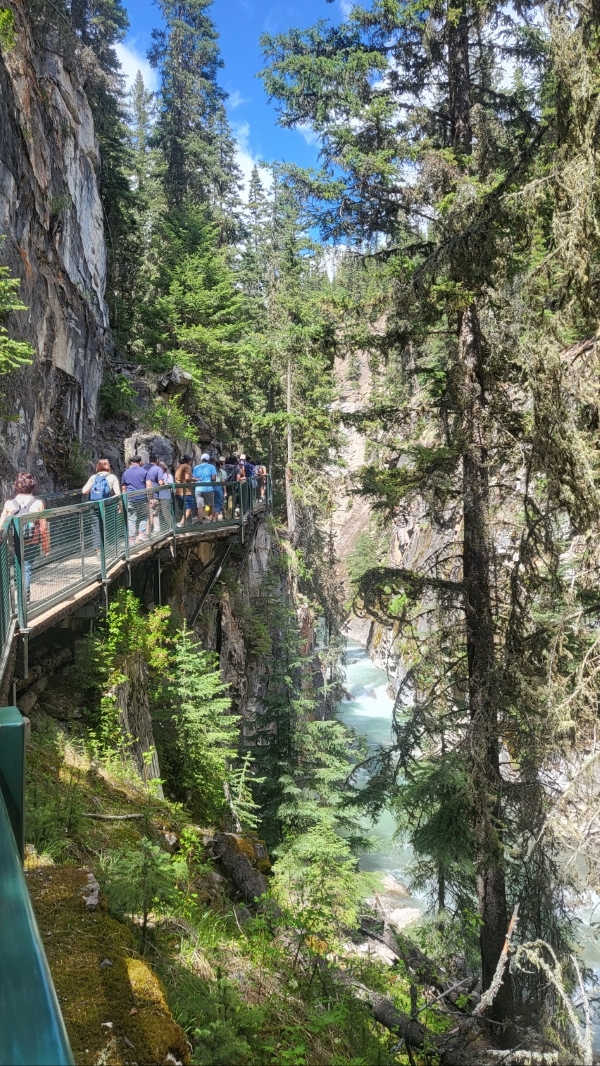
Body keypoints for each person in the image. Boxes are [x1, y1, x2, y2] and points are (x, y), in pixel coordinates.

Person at [0, 472, 49, 600]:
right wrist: (46, 546)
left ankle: (11, 600)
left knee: (13, 568)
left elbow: (1, 526)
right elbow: (43, 527)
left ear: (16, 486)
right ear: (32, 486)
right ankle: (24, 598)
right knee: (26, 568)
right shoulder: (38, 503)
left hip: (12, 542)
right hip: (31, 542)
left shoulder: (9, 504)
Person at [81, 459, 120, 553]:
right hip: (108, 506)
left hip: (95, 506)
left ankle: (98, 551)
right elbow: (118, 494)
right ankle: (112, 548)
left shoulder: (93, 477)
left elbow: (84, 491)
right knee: (110, 526)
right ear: (108, 467)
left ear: (97, 466)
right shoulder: (112, 477)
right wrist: (119, 504)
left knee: (96, 527)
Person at [121, 456, 148, 540]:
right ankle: (141, 534)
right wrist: (151, 497)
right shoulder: (144, 471)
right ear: (140, 462)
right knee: (143, 515)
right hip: (142, 498)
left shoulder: (126, 473)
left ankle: (131, 538)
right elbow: (149, 485)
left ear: (131, 463)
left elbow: (123, 487)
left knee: (131, 518)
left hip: (130, 498)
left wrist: (123, 499)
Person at [192, 452, 217, 523]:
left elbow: (194, 478)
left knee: (200, 506)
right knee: (211, 505)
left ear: (201, 459)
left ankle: (200, 522)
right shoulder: (212, 467)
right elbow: (213, 478)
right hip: (208, 488)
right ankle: (211, 521)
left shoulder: (196, 467)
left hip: (198, 489)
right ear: (208, 460)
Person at [174, 455, 196, 527]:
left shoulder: (179, 466)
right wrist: (194, 479)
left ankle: (181, 523)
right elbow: (187, 478)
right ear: (189, 461)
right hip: (186, 491)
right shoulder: (187, 466)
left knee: (182, 508)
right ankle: (181, 523)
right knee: (189, 508)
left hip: (178, 491)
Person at [145, 453, 163, 534]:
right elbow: (160, 481)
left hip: (143, 493)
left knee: (150, 512)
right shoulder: (158, 469)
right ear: (157, 460)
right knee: (153, 511)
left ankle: (156, 529)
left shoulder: (143, 467)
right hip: (153, 493)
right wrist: (164, 484)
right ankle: (148, 532)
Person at [157, 461, 174, 529]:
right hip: (157, 496)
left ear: (164, 468)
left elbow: (171, 486)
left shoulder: (168, 476)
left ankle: (172, 526)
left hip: (165, 496)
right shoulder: (157, 475)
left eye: (161, 467)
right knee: (159, 513)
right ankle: (164, 527)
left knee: (165, 512)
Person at [213, 457, 227, 522]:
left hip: (211, 487)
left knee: (211, 503)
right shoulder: (222, 472)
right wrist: (225, 491)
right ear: (221, 465)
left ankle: (211, 519)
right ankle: (216, 520)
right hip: (218, 487)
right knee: (218, 503)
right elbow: (223, 482)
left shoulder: (212, 470)